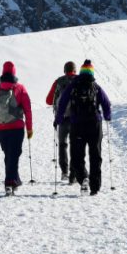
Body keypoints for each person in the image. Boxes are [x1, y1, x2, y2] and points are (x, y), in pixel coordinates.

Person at [55, 59, 111, 195]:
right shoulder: (95, 86)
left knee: (77, 156)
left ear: (80, 71)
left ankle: (83, 177)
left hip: (77, 124)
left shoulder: (73, 85)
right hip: (94, 124)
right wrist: (107, 116)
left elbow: (62, 102)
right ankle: (95, 187)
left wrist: (58, 119)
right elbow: (106, 103)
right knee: (95, 155)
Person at [0, 60, 34, 195]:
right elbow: (27, 109)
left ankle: (15, 179)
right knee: (14, 154)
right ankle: (9, 183)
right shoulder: (20, 88)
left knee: (10, 154)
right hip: (16, 127)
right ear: (14, 73)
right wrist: (29, 128)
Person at [45, 61, 77, 182]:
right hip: (77, 119)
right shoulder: (80, 80)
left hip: (62, 118)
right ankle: (74, 174)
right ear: (75, 70)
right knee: (76, 145)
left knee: (63, 144)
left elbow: (48, 100)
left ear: (64, 70)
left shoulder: (59, 81)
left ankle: (64, 172)